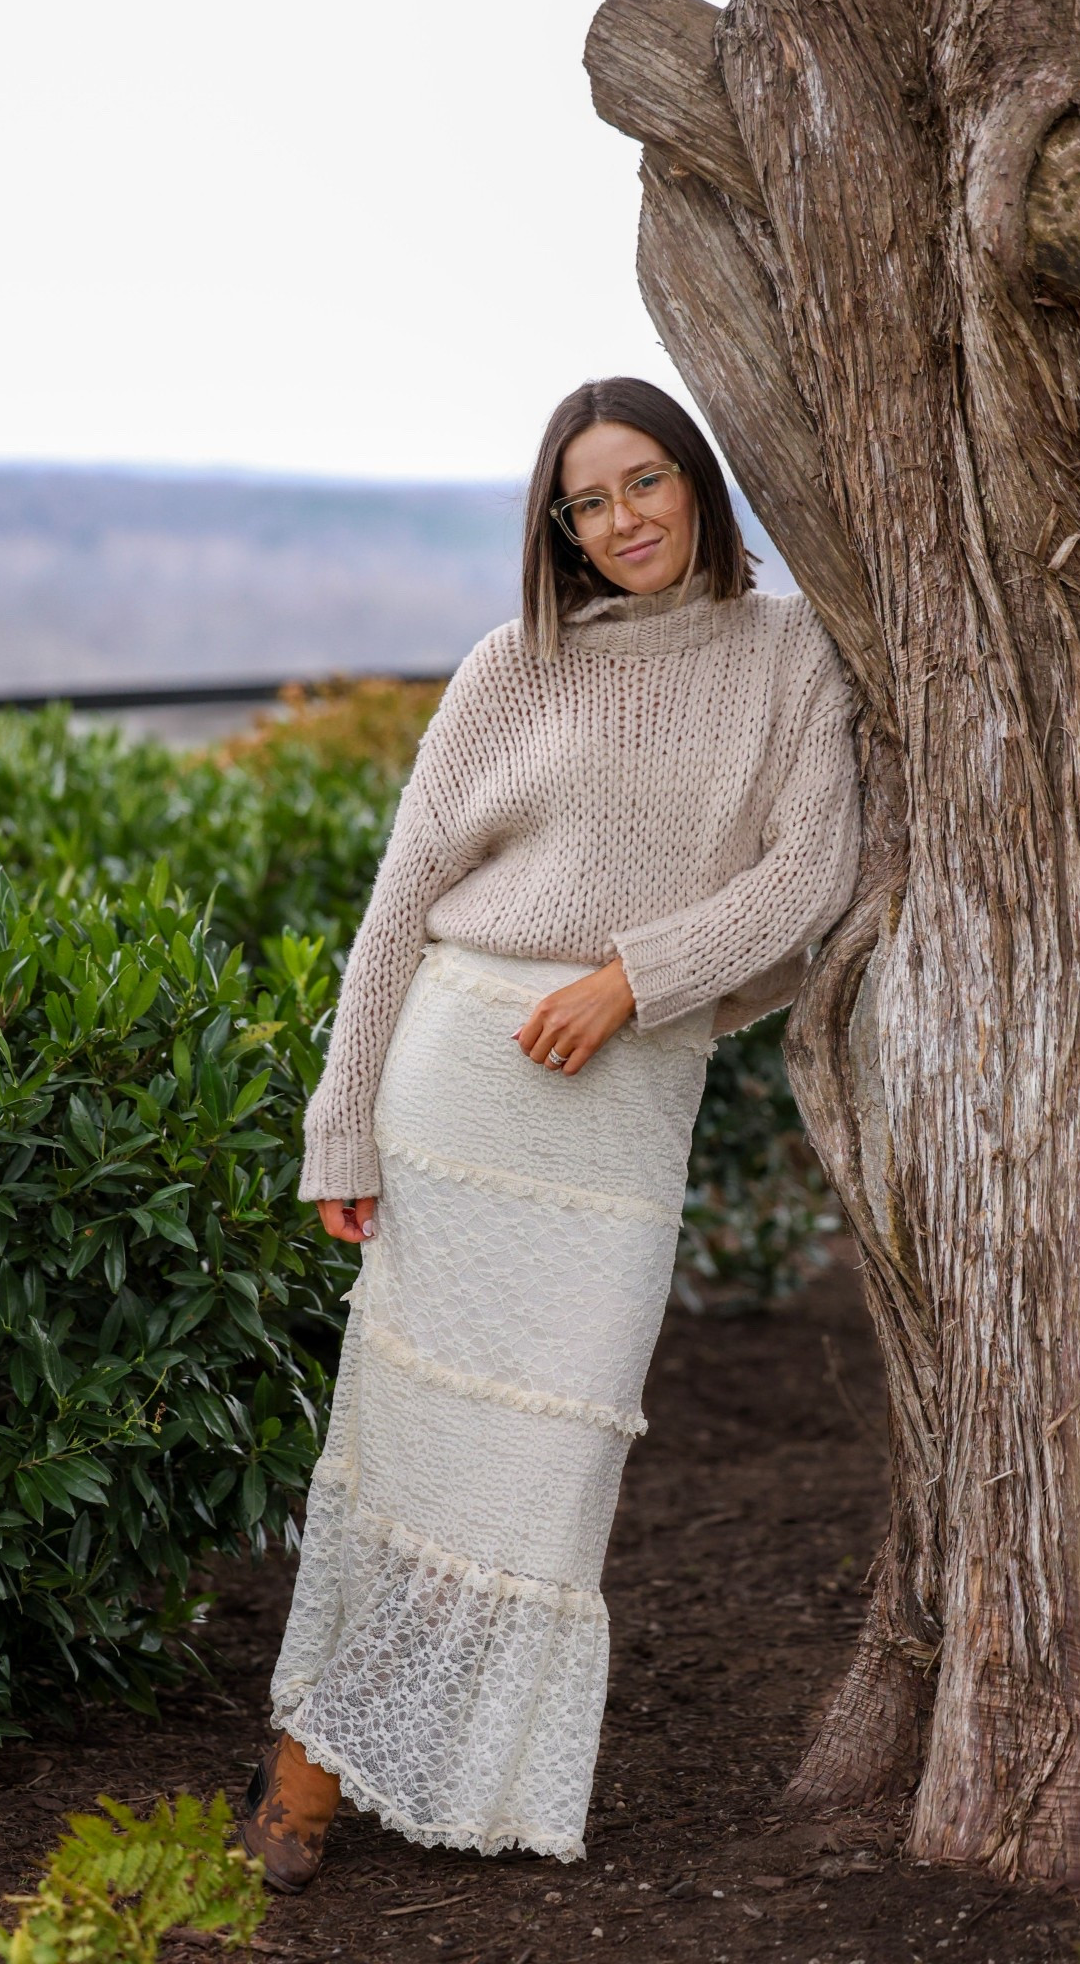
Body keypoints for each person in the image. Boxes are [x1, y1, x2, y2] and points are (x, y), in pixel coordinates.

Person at [240, 377, 861, 1889]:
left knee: (553, 1458)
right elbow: (396, 911)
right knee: (411, 1437)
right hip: (460, 1080)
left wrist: (632, 981)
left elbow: (812, 869)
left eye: (642, 483)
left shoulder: (793, 657)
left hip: (619, 1097)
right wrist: (342, 1132)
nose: (619, 521)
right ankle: (305, 1779)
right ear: (557, 528)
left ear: (698, 483)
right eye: (584, 503)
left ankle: (478, 1770)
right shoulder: (508, 670)